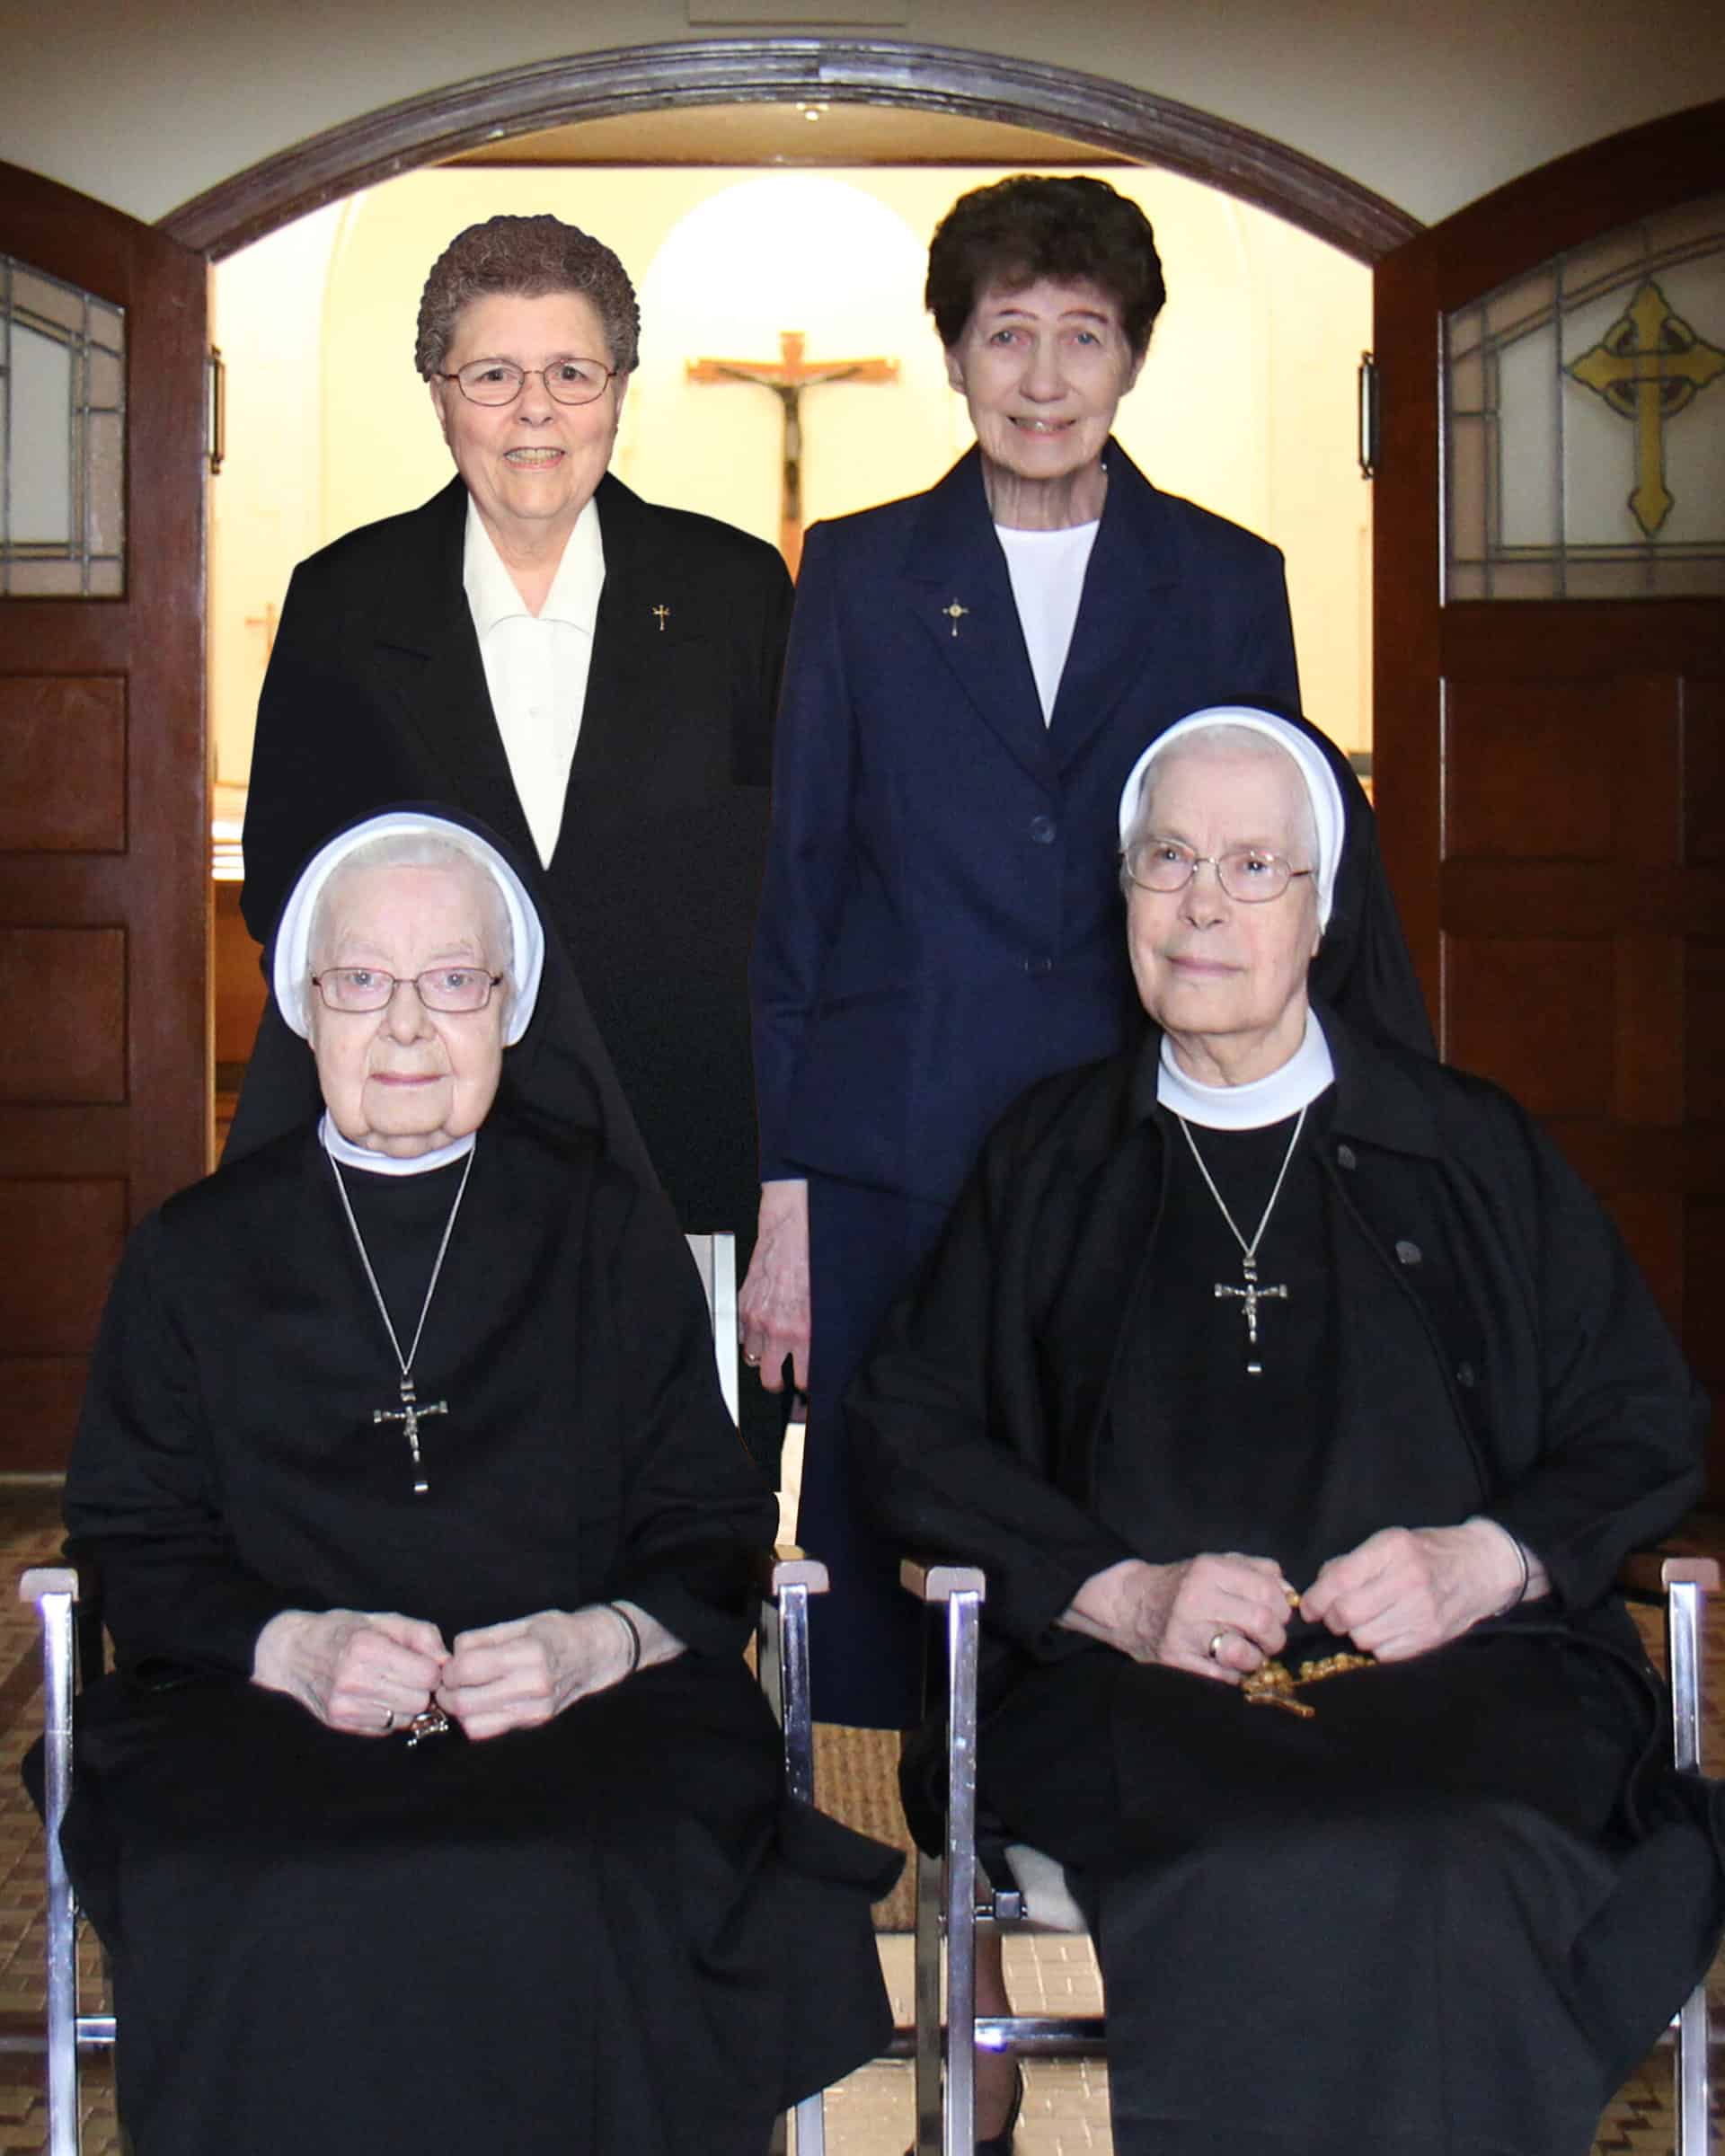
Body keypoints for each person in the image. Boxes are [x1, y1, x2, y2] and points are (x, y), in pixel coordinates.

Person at [848, 707, 1723, 2156]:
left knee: (1472, 1847)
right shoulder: (1052, 1157)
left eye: (1255, 867)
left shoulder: (1469, 1147)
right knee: (1258, 1852)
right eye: (1168, 860)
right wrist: (1122, 1594)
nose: (1202, 904)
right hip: (1142, 1688)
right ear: (1122, 895)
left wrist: (1489, 1558)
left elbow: (1642, 1418)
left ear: (1323, 911)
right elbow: (912, 1428)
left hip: (1472, 1670)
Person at [57, 809, 898, 2156]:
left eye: (452, 983)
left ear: (509, 1011)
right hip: (265, 1711)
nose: (404, 1031)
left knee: (613, 1867)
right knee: (257, 1879)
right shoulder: (192, 1255)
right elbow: (129, 1531)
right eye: (361, 983)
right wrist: (292, 1644)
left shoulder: (609, 1233)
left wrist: (597, 1642)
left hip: (583, 1709)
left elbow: (712, 1517)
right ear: (303, 1007)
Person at [744, 176, 1429, 1733]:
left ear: (1131, 361)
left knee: (1109, 1486)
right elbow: (797, 891)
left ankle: (1084, 1817)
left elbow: (1270, 885)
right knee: (873, 1520)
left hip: (1136, 1134)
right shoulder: (853, 572)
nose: (1043, 378)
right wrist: (783, 1194)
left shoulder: (1223, 577)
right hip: (888, 1137)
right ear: (956, 355)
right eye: (1006, 336)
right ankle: (879, 1845)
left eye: (1083, 337)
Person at [235, 211, 792, 1470]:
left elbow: (797, 900)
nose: (534, 411)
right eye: (492, 375)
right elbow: (288, 893)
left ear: (619, 392)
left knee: (678, 1539)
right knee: (458, 1525)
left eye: (571, 374)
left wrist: (788, 1193)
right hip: (430, 1168)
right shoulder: (343, 600)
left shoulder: (733, 593)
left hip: (685, 1163)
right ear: (440, 396)